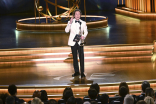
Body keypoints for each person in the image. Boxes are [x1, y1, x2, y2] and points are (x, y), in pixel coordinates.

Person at [65, 9, 88, 78]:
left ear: (80, 15)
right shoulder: (70, 22)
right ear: (74, 15)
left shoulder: (83, 23)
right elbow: (66, 31)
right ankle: (76, 72)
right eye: (76, 14)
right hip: (73, 42)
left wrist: (83, 36)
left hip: (80, 43)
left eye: (79, 14)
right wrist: (70, 23)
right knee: (75, 57)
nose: (77, 15)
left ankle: (82, 72)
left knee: (81, 57)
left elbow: (86, 31)